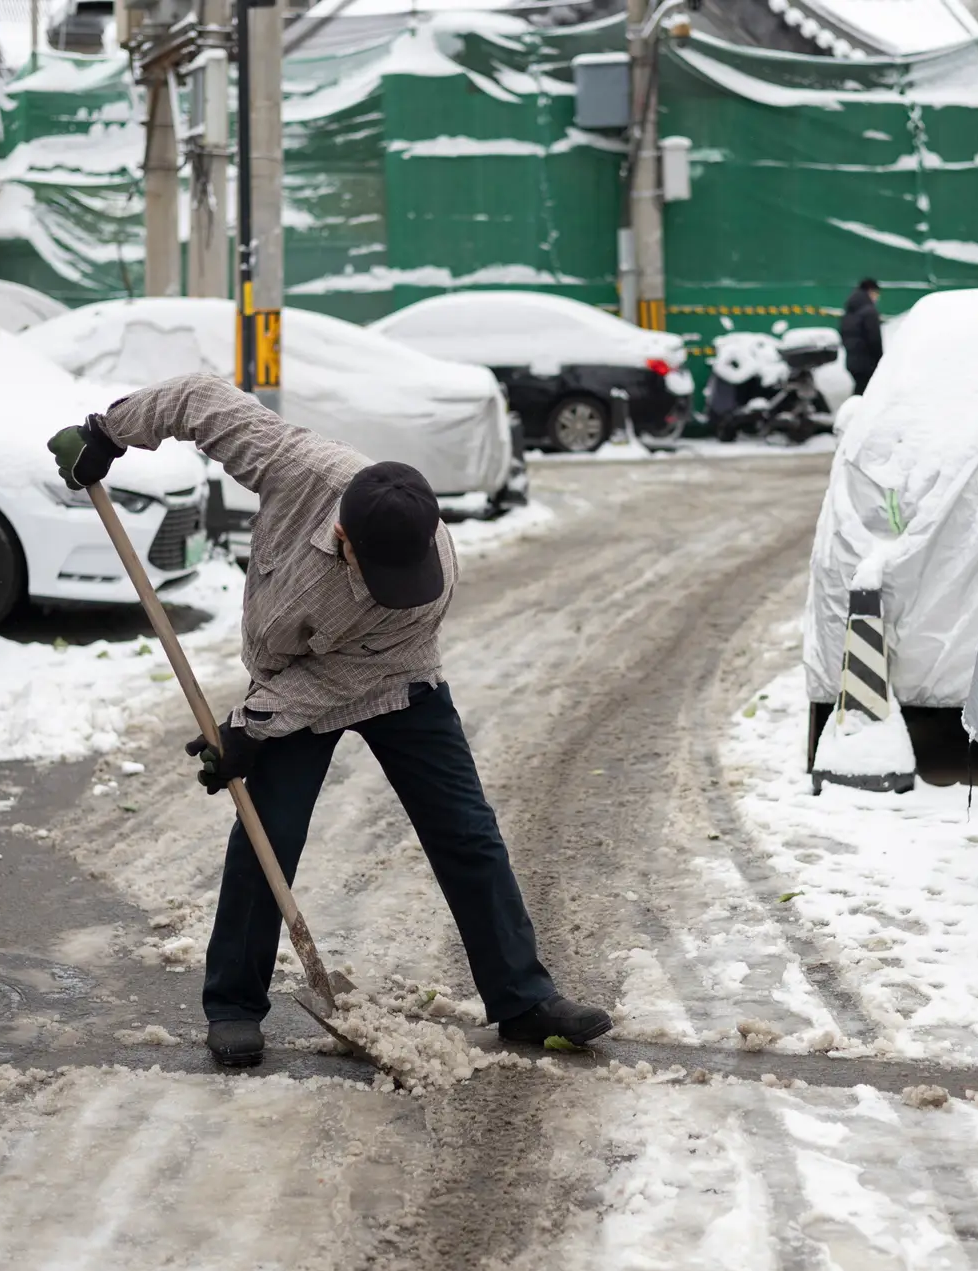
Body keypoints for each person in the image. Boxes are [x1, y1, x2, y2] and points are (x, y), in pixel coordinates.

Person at [47, 374, 612, 1068]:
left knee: (466, 832)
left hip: (393, 679)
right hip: (288, 672)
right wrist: (110, 432)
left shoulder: (426, 578)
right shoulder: (296, 465)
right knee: (267, 835)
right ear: (345, 532)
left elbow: (348, 675)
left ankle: (523, 1000)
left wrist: (252, 726)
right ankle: (233, 1005)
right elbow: (197, 401)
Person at [840, 277, 883, 393]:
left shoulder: (850, 309)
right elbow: (874, 340)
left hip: (852, 362)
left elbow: (843, 334)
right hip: (867, 363)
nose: (877, 298)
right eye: (876, 294)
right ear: (871, 291)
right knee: (867, 392)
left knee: (861, 389)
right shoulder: (869, 312)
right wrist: (881, 361)